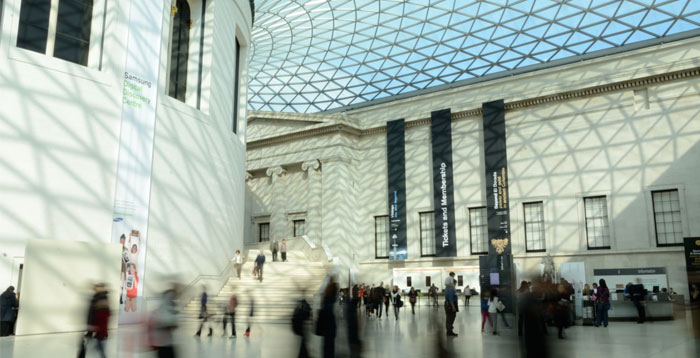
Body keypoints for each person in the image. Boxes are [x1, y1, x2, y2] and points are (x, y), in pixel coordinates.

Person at [148, 286, 180, 358]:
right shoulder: (161, 310)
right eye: (172, 297)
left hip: (168, 344)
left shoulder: (168, 309)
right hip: (163, 346)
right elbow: (161, 323)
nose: (173, 299)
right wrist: (171, 323)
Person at [81, 283, 110, 358]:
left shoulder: (102, 298)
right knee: (97, 349)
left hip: (99, 331)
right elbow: (92, 314)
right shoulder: (97, 297)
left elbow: (103, 318)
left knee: (100, 349)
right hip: (95, 329)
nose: (94, 288)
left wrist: (98, 330)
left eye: (97, 287)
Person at [317, 279, 338, 358]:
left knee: (328, 348)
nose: (325, 288)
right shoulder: (330, 300)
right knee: (329, 348)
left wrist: (321, 312)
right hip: (329, 329)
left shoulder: (328, 300)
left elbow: (327, 313)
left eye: (327, 287)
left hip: (328, 329)